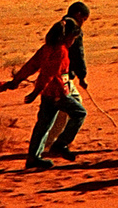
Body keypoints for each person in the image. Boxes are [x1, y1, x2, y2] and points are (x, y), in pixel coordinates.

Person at [10, 17, 88, 170]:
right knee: (80, 113)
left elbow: (31, 65)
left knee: (43, 125)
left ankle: (33, 157)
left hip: (47, 94)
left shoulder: (46, 48)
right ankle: (61, 144)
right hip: (58, 93)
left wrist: (18, 79)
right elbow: (49, 74)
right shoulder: (61, 51)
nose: (73, 41)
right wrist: (35, 92)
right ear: (67, 37)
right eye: (73, 38)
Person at [43, 1, 91, 154]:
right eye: (84, 19)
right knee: (74, 107)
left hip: (55, 76)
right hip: (62, 77)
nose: (83, 23)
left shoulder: (59, 26)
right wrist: (82, 76)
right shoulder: (73, 30)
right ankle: (55, 143)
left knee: (64, 109)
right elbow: (78, 54)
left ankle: (52, 142)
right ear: (78, 15)